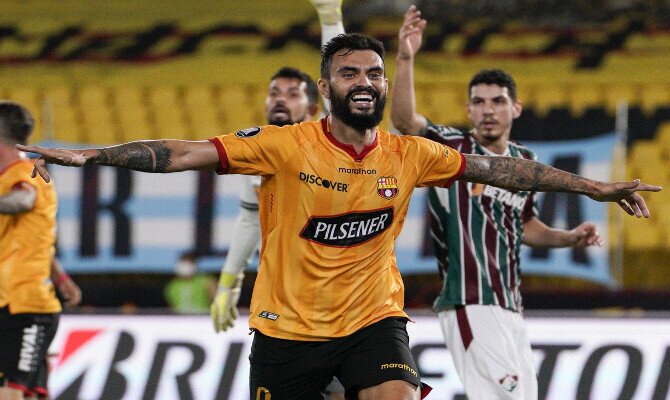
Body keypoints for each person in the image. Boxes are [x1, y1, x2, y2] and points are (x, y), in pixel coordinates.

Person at [17, 32, 660, 400]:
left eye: (375, 73)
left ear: (384, 86)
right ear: (327, 88)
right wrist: (89, 154)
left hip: (371, 321)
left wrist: (596, 188)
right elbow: (182, 151)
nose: (365, 81)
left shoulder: (411, 155)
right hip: (287, 332)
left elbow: (509, 171)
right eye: (349, 72)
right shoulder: (283, 145)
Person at [392, 6, 610, 399]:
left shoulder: (524, 162)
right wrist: (406, 58)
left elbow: (526, 226)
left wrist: (570, 238)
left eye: (497, 100)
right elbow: (407, 124)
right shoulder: (453, 149)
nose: (488, 109)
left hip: (510, 303)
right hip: (467, 299)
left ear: (516, 108)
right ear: (469, 109)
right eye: (478, 101)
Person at [210, 0, 347, 397]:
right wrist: (229, 281)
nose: (280, 99)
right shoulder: (257, 149)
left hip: (340, 291)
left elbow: (340, 77)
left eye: (292, 92)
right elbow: (249, 218)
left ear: (313, 102)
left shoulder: (329, 136)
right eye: (274, 92)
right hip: (284, 298)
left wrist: (330, 20)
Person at [0, 100, 80, 400]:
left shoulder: (27, 172)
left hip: (27, 304)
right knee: (31, 393)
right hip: (10, 301)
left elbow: (22, 201)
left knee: (11, 391)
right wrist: (61, 278)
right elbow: (33, 239)